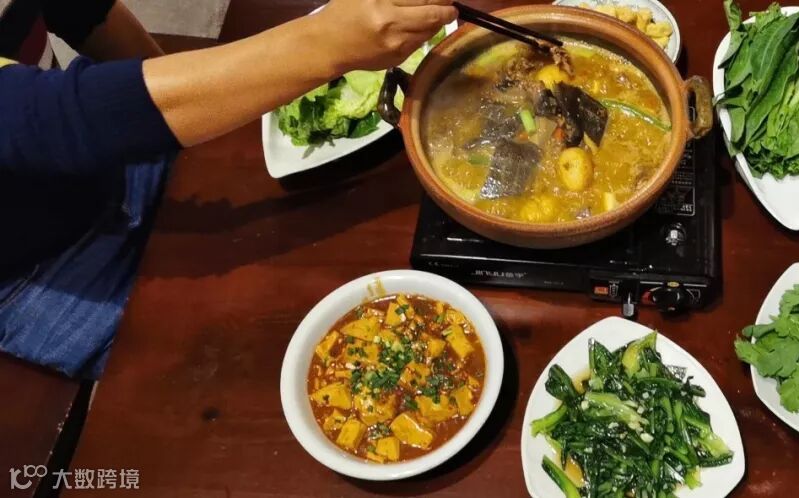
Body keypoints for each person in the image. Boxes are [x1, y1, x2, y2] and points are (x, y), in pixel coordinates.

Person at [0, 0, 457, 378]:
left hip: (110, 155)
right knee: (245, 362)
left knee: (335, 265)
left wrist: (194, 131)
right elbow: (51, 118)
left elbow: (83, 11)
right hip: (36, 274)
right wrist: (328, 43)